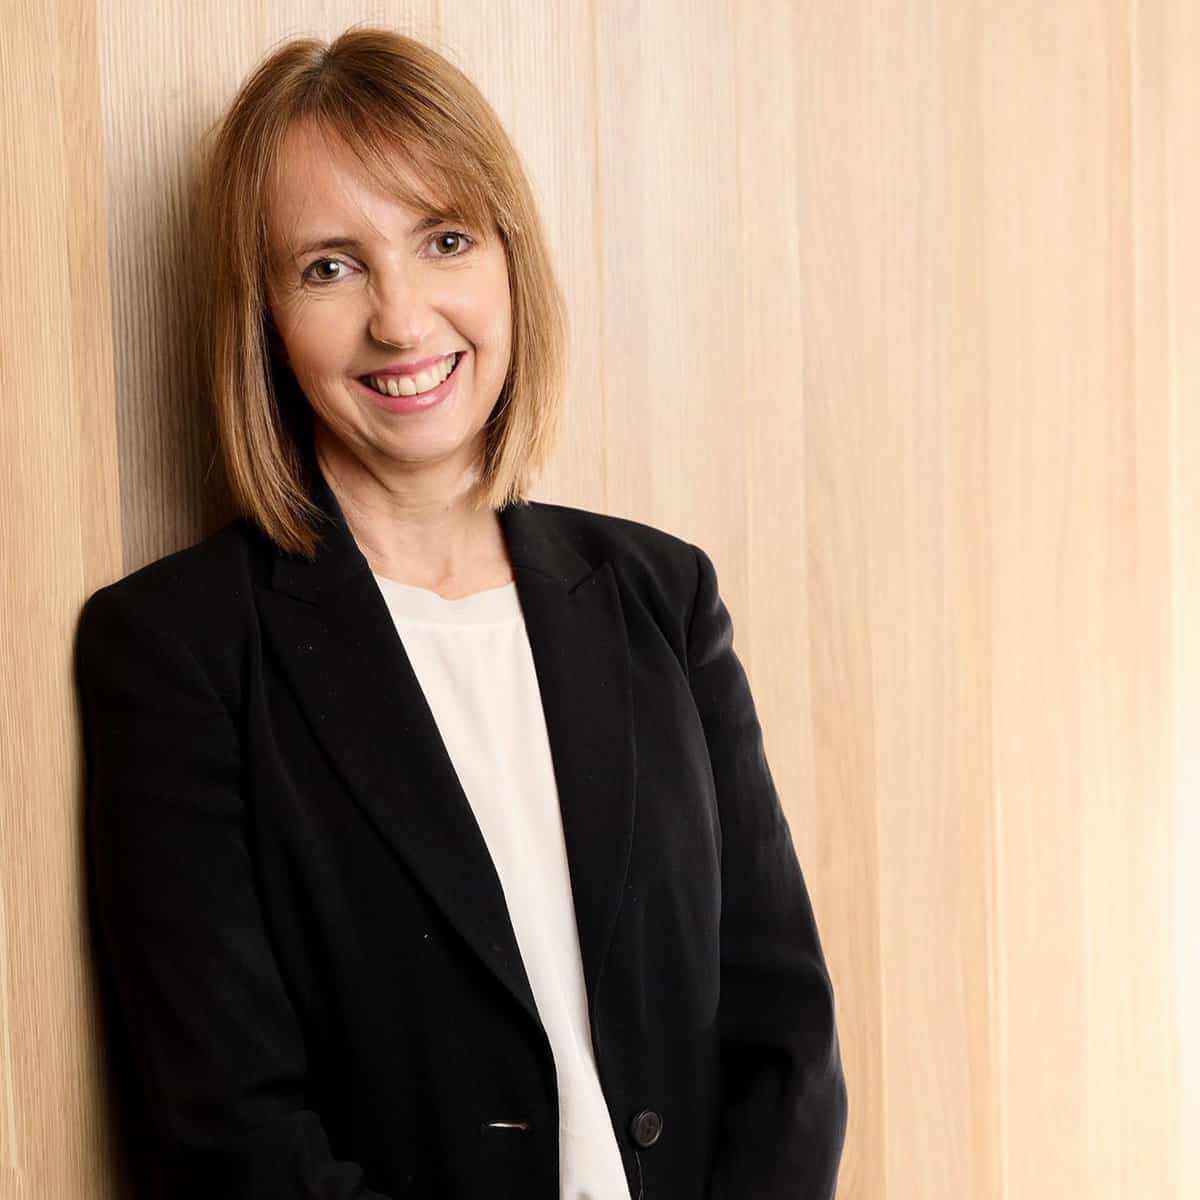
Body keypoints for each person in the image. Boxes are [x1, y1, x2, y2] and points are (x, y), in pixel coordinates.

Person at [74, 25, 848, 1200]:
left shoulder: (661, 597)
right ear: (265, 320)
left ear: (507, 260)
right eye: (330, 266)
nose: (402, 317)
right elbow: (228, 1132)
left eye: (443, 240)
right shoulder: (181, 649)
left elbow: (784, 1038)